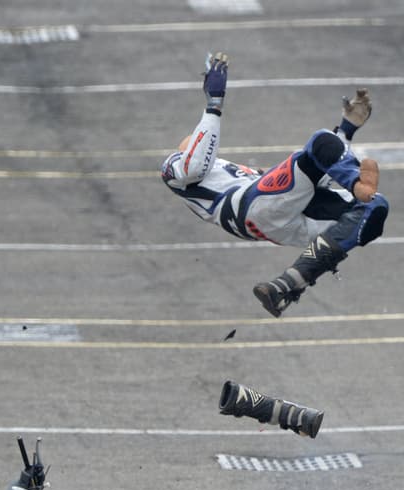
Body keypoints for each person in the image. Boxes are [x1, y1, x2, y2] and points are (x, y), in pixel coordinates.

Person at [160, 53, 390, 317]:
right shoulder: (173, 168)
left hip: (277, 222)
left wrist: (346, 131)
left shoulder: (227, 170)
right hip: (249, 208)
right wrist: (213, 105)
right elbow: (196, 163)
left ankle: (287, 285)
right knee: (319, 142)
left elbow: (317, 175)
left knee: (374, 209)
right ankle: (359, 184)